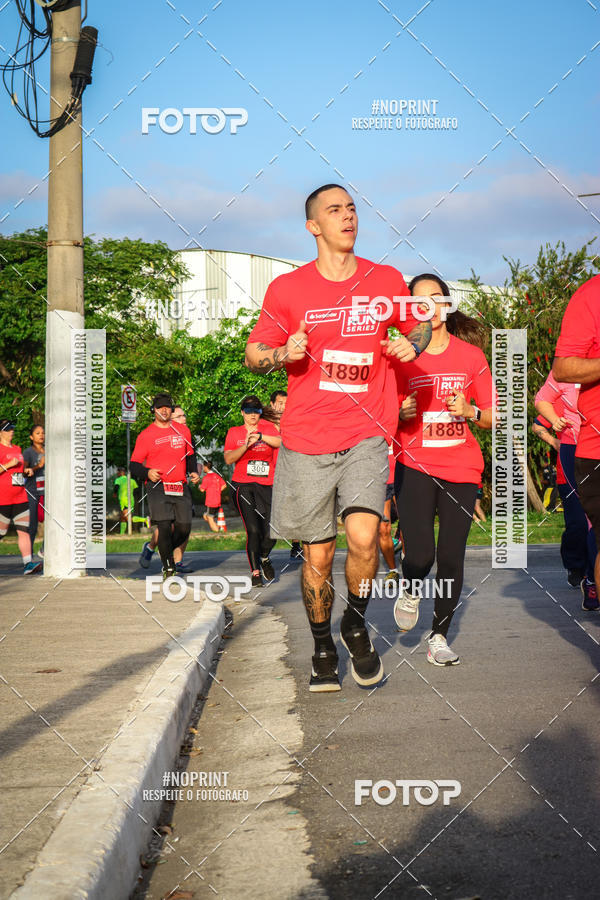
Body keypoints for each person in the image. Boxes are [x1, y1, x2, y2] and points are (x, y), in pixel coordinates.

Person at [245, 183, 430, 691]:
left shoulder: (385, 278)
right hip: (307, 439)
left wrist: (409, 346)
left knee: (367, 540)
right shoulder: (288, 289)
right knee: (320, 556)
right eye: (335, 210)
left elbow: (419, 327)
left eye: (352, 208)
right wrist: (285, 354)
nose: (347, 216)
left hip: (368, 433)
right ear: (313, 226)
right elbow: (255, 352)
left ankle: (356, 624)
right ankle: (323, 643)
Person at [392, 274, 494, 666]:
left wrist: (471, 411)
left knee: (451, 556)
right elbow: (380, 413)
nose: (429, 306)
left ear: (448, 305)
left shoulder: (471, 358)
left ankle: (438, 636)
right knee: (420, 554)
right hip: (414, 464)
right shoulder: (401, 359)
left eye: (437, 298)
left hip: (462, 466)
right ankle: (411, 584)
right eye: (420, 300)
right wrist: (399, 413)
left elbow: (492, 416)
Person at [553, 275, 600, 596]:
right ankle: (579, 572)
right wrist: (552, 426)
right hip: (590, 447)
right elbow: (562, 369)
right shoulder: (591, 294)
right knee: (576, 524)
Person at [539, 370, 599, 609]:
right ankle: (587, 576)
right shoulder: (565, 371)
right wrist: (554, 423)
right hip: (575, 449)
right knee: (584, 521)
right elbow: (540, 405)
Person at [130, 394, 199, 579]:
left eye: (167, 407)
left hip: (179, 485)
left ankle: (164, 550)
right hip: (158, 486)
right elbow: (134, 464)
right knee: (165, 527)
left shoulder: (183, 431)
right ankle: (168, 567)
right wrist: (147, 472)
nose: (164, 410)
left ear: (171, 409)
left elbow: (190, 455)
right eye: (160, 407)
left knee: (184, 528)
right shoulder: (146, 435)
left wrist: (194, 471)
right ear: (154, 410)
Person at [224, 396, 281, 586]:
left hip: (267, 484)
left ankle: (264, 557)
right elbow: (229, 459)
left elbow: (281, 443)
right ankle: (255, 571)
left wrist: (262, 437)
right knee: (253, 530)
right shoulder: (234, 432)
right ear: (242, 413)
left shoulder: (268, 429)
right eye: (248, 412)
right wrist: (245, 445)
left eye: (255, 412)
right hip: (243, 485)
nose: (252, 416)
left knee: (272, 531)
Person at [0, 419, 42, 573]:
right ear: (1, 432)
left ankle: (28, 564)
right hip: (3, 499)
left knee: (24, 530)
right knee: (1, 532)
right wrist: (8, 465)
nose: (12, 431)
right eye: (8, 429)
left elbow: (17, 471)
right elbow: (7, 468)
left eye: (12, 429)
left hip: (20, 496)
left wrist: (26, 471)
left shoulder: (17, 449)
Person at [23, 424, 45, 557]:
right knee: (32, 525)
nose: (41, 435)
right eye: (38, 433)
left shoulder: (49, 450)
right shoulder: (28, 452)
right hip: (33, 492)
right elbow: (24, 473)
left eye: (43, 433)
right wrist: (39, 466)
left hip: (48, 492)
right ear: (31, 437)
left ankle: (44, 549)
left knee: (52, 522)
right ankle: (28, 555)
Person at [112, 466, 147, 534]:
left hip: (124, 501)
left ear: (120, 473)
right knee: (122, 518)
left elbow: (116, 487)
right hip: (131, 500)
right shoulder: (132, 480)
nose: (117, 473)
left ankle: (145, 520)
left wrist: (115, 493)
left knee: (128, 518)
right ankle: (121, 534)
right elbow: (137, 490)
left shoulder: (118, 480)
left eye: (118, 472)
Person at [200, 459, 226, 532]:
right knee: (205, 516)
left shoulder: (206, 478)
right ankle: (217, 528)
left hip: (211, 501)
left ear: (205, 467)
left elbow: (202, 489)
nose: (202, 468)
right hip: (217, 500)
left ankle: (217, 533)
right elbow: (224, 485)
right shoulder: (216, 476)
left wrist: (199, 486)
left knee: (209, 518)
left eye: (203, 466)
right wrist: (217, 491)